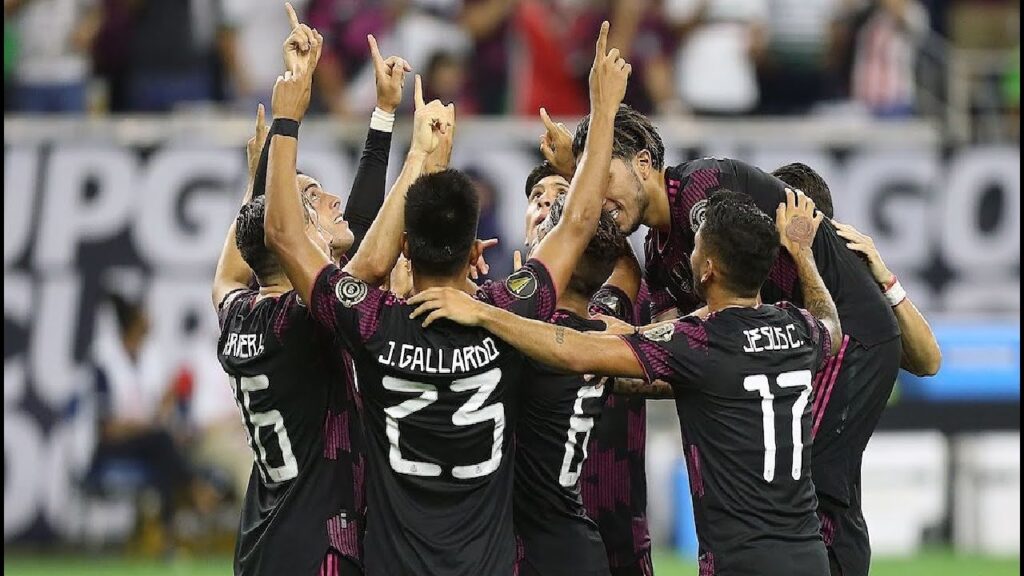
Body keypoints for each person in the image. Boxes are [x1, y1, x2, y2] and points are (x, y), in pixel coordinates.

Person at [262, 20, 630, 575]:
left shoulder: (371, 319)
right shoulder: (507, 312)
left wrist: (290, 112)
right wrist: (601, 111)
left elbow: (285, 236)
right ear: (473, 249)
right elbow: (576, 224)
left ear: (406, 244)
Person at [407, 190, 842, 576]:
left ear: (707, 269)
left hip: (740, 559)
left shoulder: (697, 343)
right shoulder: (798, 327)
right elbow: (832, 326)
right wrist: (802, 253)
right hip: (808, 553)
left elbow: (576, 350)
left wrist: (486, 312)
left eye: (695, 248)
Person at [212, 10, 410, 573]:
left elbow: (233, 269)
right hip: (320, 544)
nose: (335, 201)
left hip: (261, 539)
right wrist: (416, 156)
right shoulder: (304, 318)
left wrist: (264, 175)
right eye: (316, 196)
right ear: (295, 235)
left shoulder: (239, 311)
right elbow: (370, 252)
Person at [771, 162, 940, 575]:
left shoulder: (852, 298)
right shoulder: (765, 283)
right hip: (787, 521)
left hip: (829, 521)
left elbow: (928, 360)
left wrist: (883, 276)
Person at [522, 160, 656, 575]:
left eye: (561, 198)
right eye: (536, 199)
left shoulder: (604, 313)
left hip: (614, 518)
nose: (546, 205)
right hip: (533, 537)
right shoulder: (505, 308)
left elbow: (623, 266)